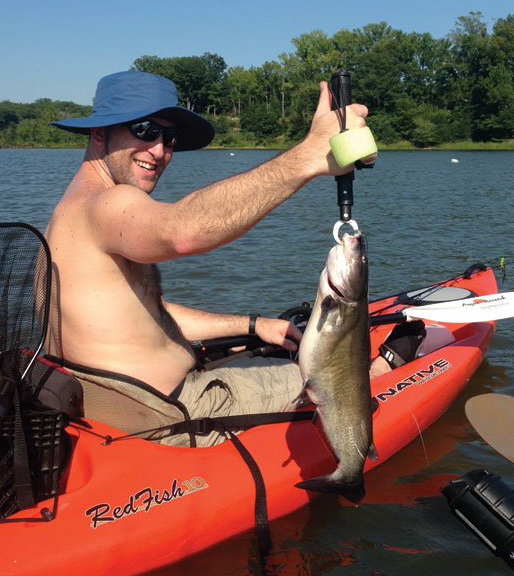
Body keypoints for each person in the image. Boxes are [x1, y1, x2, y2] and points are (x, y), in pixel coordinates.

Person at [44, 70, 389, 446]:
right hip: (171, 414)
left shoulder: (69, 212)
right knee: (348, 377)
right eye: (144, 129)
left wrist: (252, 325)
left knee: (277, 354)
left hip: (134, 407)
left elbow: (145, 316)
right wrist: (308, 156)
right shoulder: (107, 204)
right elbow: (182, 231)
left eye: (169, 137)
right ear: (99, 132)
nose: (159, 151)